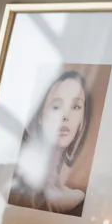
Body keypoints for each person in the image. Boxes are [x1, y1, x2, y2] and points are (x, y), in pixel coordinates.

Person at [8, 70, 92, 216]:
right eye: (56, 106)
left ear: (82, 121)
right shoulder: (15, 180)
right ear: (40, 115)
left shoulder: (79, 198)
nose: (66, 115)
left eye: (76, 106)